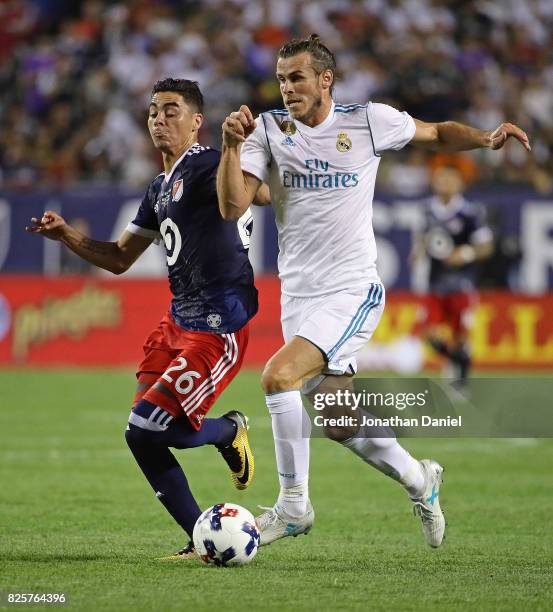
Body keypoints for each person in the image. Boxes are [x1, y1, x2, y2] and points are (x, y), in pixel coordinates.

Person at [217, 34, 530, 549]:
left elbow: (436, 133)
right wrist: (231, 144)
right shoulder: (267, 130)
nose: (287, 88)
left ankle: (294, 506)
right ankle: (420, 480)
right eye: (280, 79)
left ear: (325, 79)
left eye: (296, 77)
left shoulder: (367, 120)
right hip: (298, 294)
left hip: (352, 287)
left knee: (278, 376)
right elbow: (232, 207)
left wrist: (486, 139)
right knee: (340, 422)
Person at [26, 78, 264, 560]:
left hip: (217, 329)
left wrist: (233, 148)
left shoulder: (207, 165)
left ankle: (228, 429)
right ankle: (198, 541)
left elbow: (233, 202)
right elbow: (118, 258)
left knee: (152, 425)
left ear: (197, 121)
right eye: (154, 110)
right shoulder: (160, 186)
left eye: (172, 110)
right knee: (141, 434)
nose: (159, 118)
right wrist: (68, 236)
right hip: (176, 324)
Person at [412, 164, 493, 390]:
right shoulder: (427, 209)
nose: (443, 183)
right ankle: (459, 362)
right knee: (430, 335)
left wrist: (465, 253)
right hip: (434, 283)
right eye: (439, 178)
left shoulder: (470, 212)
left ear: (459, 183)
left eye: (448, 178)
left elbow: (486, 246)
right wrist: (417, 252)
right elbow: (423, 237)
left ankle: (460, 380)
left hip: (461, 283)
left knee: (460, 335)